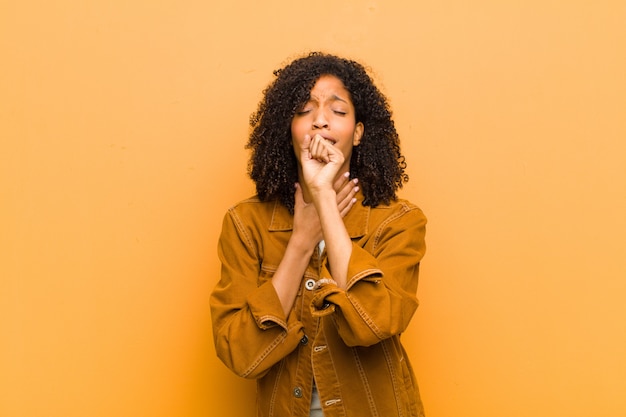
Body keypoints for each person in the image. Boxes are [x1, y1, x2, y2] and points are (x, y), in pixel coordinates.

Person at [210, 52, 427, 417]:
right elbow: (240, 355)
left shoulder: (399, 222)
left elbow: (373, 324)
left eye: (338, 112)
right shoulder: (245, 223)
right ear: (288, 129)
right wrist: (300, 243)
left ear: (357, 133)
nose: (321, 121)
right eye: (304, 110)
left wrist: (324, 197)